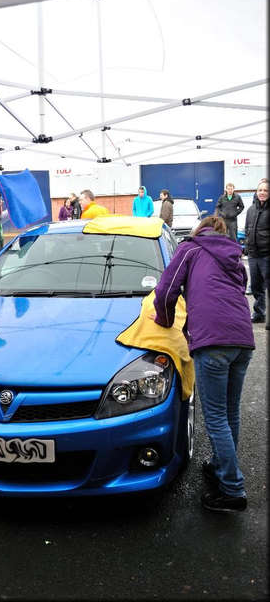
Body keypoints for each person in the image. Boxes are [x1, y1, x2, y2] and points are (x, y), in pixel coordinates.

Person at [151, 215, 255, 512]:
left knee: (216, 417)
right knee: (230, 412)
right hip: (243, 340)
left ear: (200, 230)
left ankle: (233, 489)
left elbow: (166, 290)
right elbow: (240, 288)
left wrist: (166, 321)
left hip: (212, 341)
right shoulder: (235, 255)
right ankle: (221, 468)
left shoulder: (191, 249)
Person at [244, 179, 269, 326]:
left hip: (267, 255)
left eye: (266, 190)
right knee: (256, 287)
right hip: (253, 255)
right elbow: (248, 229)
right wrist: (247, 247)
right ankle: (259, 313)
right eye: (260, 190)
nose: (262, 193)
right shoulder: (251, 210)